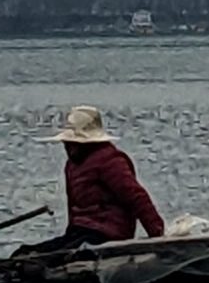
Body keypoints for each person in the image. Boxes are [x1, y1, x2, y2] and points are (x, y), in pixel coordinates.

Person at [46, 104, 165, 244]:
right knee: (34, 251)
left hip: (107, 233)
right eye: (67, 143)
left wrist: (157, 233)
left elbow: (136, 196)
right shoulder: (72, 165)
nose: (67, 147)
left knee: (77, 245)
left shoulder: (110, 161)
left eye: (72, 143)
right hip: (80, 231)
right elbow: (73, 206)